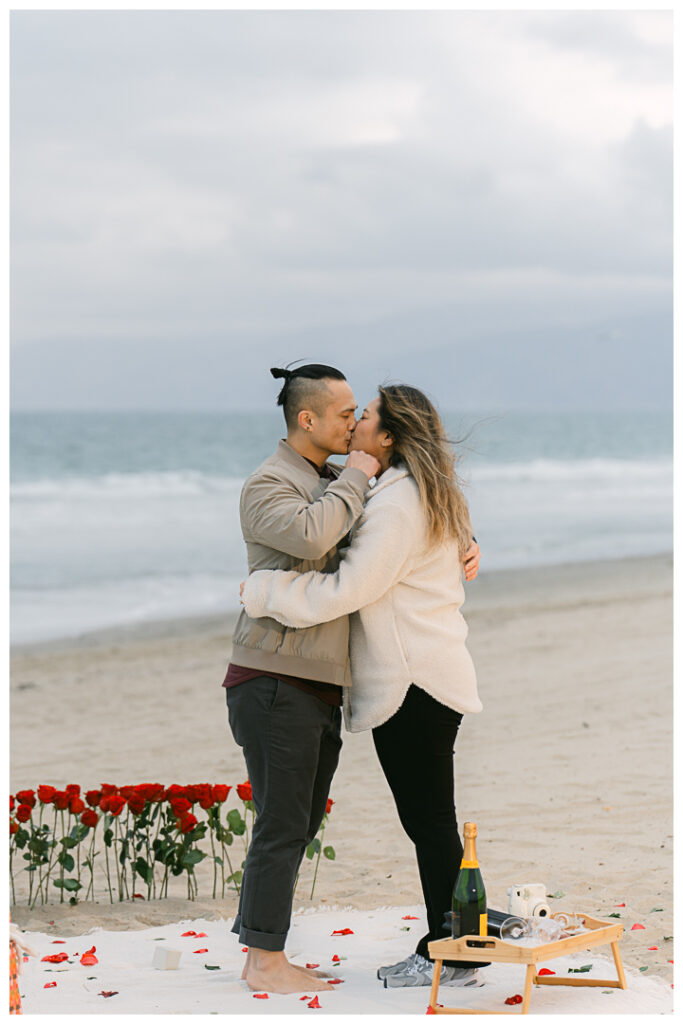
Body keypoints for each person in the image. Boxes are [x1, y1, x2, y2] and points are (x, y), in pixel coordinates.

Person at [241, 384, 484, 990]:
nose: (355, 425)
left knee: (428, 821)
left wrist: (262, 592)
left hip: (414, 683)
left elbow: (350, 588)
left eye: (365, 417)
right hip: (428, 677)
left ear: (390, 437)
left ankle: (450, 950)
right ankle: (457, 942)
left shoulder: (399, 503)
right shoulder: (409, 492)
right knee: (431, 819)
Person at [223, 363, 382, 995]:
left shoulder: (331, 479)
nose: (355, 424)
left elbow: (389, 532)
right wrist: (361, 472)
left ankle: (260, 951)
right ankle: (263, 962)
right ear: (306, 419)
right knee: (283, 823)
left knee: (299, 821)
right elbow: (315, 531)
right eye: (345, 414)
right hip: (271, 681)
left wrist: (467, 540)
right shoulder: (267, 484)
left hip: (318, 683)